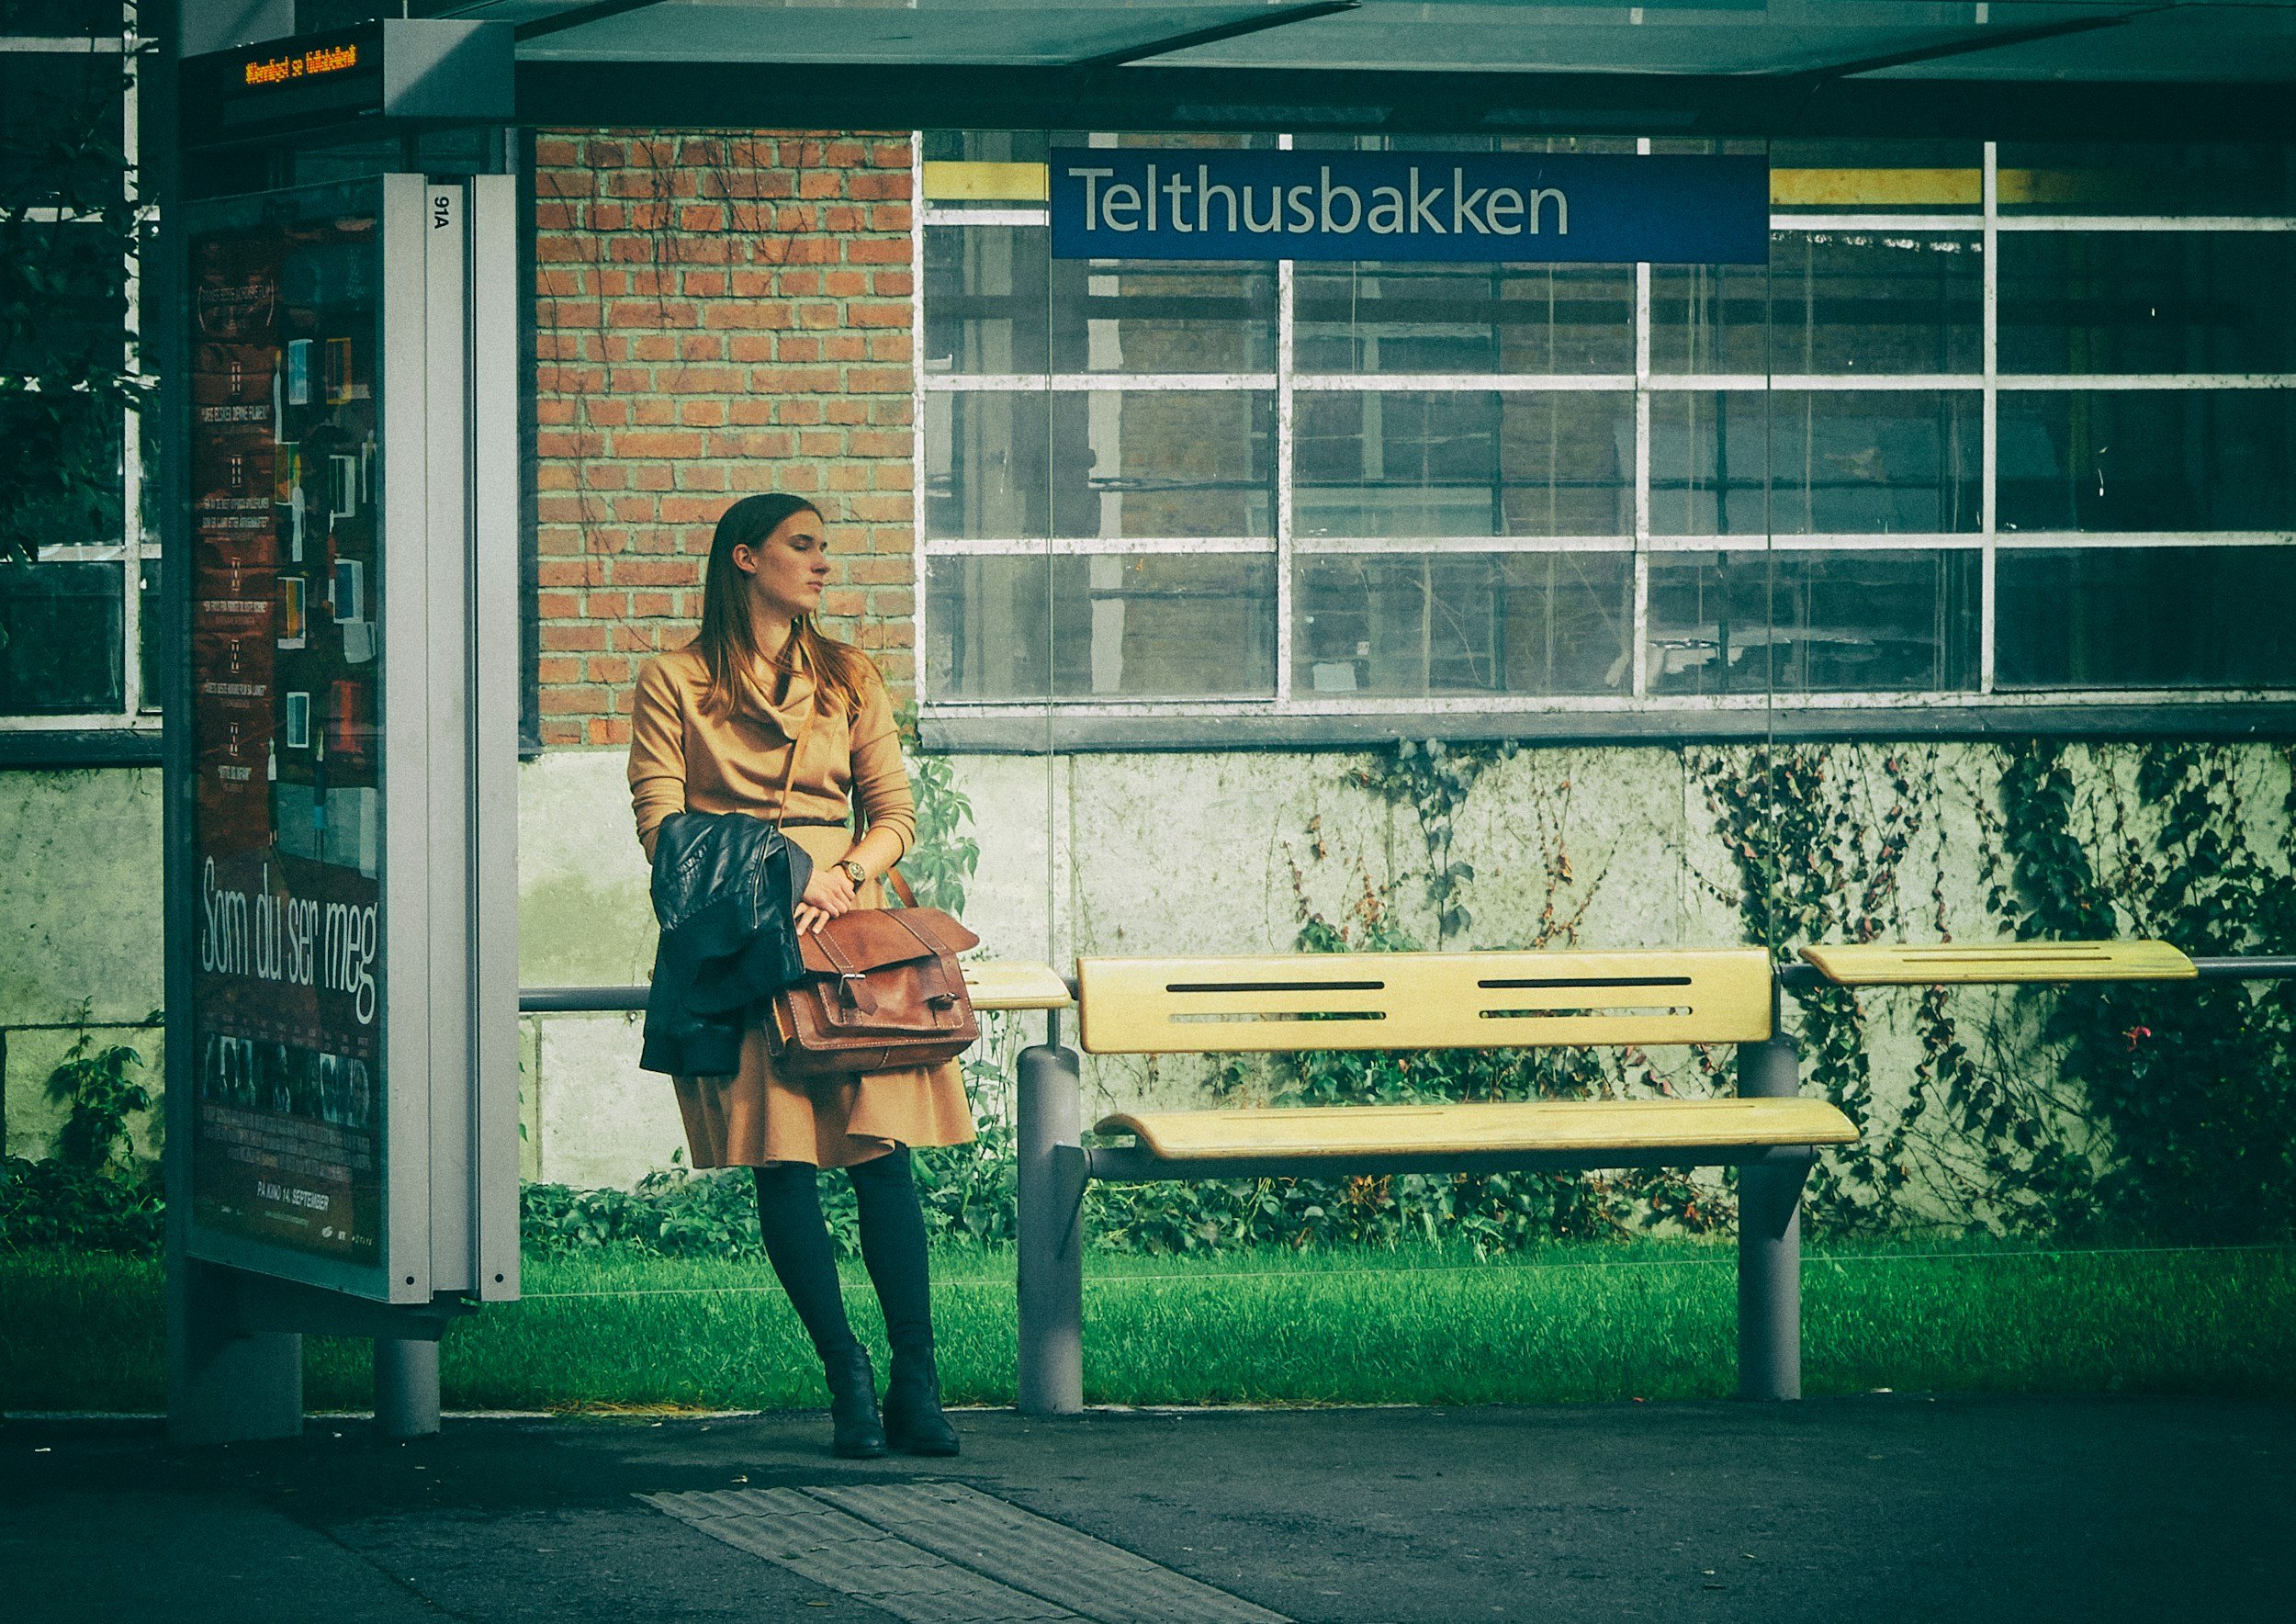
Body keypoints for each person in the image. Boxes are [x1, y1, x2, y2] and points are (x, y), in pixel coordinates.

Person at [626, 492, 974, 1458]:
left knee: (880, 1156)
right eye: (803, 546)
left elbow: (895, 811)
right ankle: (846, 1379)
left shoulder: (849, 675)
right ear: (745, 558)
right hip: (745, 940)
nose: (822, 565)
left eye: (825, 548)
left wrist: (852, 873)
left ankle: (918, 1380)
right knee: (782, 1163)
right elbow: (660, 825)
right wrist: (790, 873)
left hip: (851, 937)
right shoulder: (674, 680)